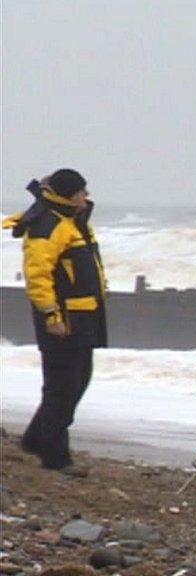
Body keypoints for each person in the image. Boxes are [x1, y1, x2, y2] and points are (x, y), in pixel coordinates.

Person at [2, 169, 107, 477]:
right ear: (67, 194)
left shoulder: (72, 221)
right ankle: (55, 455)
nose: (86, 197)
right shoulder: (48, 224)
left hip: (85, 314)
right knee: (62, 386)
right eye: (81, 192)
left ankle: (36, 438)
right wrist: (51, 316)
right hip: (62, 318)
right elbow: (38, 276)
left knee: (79, 380)